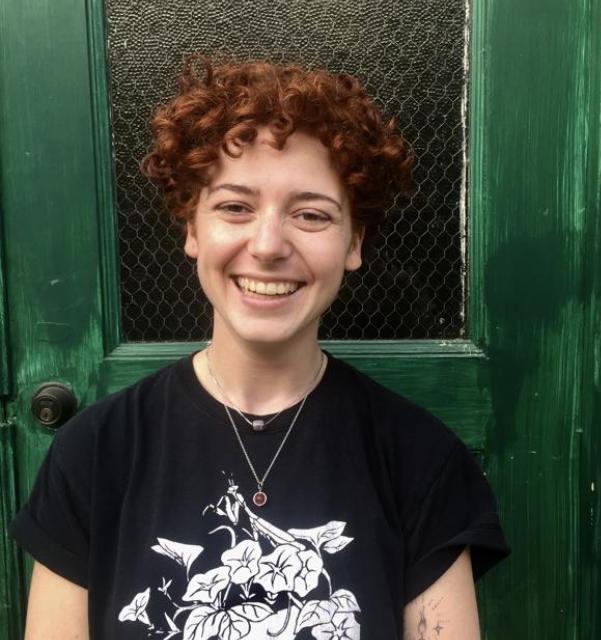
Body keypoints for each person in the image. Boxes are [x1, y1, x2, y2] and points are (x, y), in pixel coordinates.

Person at [10, 57, 509, 640]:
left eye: (311, 214)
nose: (269, 244)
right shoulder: (94, 454)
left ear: (355, 241)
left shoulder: (421, 461)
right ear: (192, 228)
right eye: (234, 207)